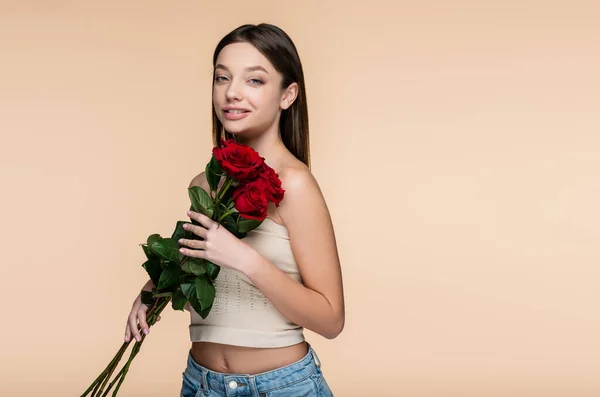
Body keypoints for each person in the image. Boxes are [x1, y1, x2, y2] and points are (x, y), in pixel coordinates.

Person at [124, 23, 344, 396]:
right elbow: (198, 263)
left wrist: (245, 258)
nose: (232, 93)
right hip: (200, 384)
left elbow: (331, 318)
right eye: (222, 78)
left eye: (254, 81)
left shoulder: (295, 185)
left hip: (281, 387)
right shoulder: (204, 183)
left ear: (288, 94)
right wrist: (151, 292)